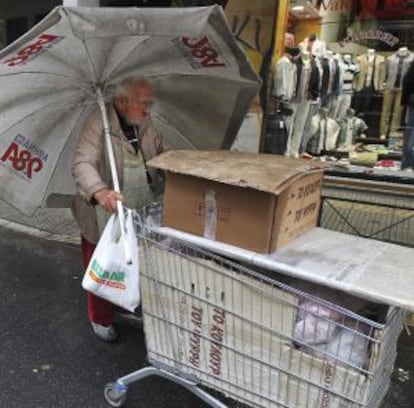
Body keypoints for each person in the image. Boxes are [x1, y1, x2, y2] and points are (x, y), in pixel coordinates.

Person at [71, 77, 170, 341]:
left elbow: (162, 152)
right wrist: (100, 191)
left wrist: (182, 169)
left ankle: (124, 304)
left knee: (131, 259)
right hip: (103, 207)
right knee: (103, 263)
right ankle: (100, 318)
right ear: (122, 101)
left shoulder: (145, 123)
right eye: (143, 104)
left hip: (138, 204)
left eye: (150, 104)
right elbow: (82, 163)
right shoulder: (98, 123)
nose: (148, 109)